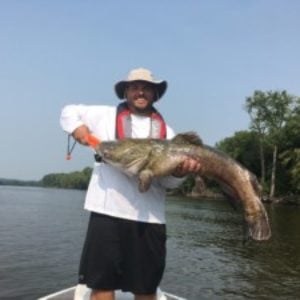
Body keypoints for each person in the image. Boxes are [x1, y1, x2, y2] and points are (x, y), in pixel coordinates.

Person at [60, 68, 201, 300]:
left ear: (155, 94)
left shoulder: (170, 135)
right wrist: (78, 128)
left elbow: (169, 184)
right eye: (135, 86)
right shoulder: (103, 115)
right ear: (125, 91)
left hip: (149, 219)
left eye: (147, 87)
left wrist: (180, 173)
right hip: (106, 213)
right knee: (101, 286)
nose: (140, 91)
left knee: (146, 290)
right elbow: (68, 111)